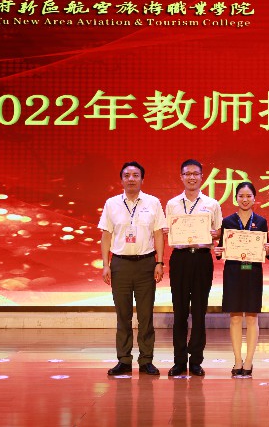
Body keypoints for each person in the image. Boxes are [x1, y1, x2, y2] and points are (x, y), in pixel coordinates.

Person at [98, 161, 166, 376]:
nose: (131, 179)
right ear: (121, 180)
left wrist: (159, 262)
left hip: (146, 263)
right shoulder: (111, 204)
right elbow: (106, 235)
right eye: (127, 175)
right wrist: (105, 265)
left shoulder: (153, 202)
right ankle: (124, 360)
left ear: (142, 179)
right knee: (123, 315)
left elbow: (158, 234)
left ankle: (146, 360)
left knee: (146, 316)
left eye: (136, 175)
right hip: (120, 264)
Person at [164, 159, 223, 377]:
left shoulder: (212, 204)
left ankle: (196, 360)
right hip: (180, 258)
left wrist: (216, 234)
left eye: (195, 174)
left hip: (201, 259)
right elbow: (167, 230)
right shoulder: (172, 204)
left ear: (201, 177)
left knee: (199, 311)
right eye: (187, 174)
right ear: (181, 177)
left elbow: (219, 231)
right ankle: (179, 361)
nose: (191, 177)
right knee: (179, 311)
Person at [214, 181, 269, 378]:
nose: (245, 199)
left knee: (252, 317)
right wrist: (218, 251)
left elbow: (267, 251)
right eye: (241, 196)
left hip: (253, 272)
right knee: (235, 317)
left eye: (249, 196)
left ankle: (248, 360)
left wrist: (268, 250)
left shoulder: (261, 221)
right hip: (233, 272)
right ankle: (237, 360)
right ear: (236, 198)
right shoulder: (228, 221)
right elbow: (221, 249)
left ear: (254, 199)